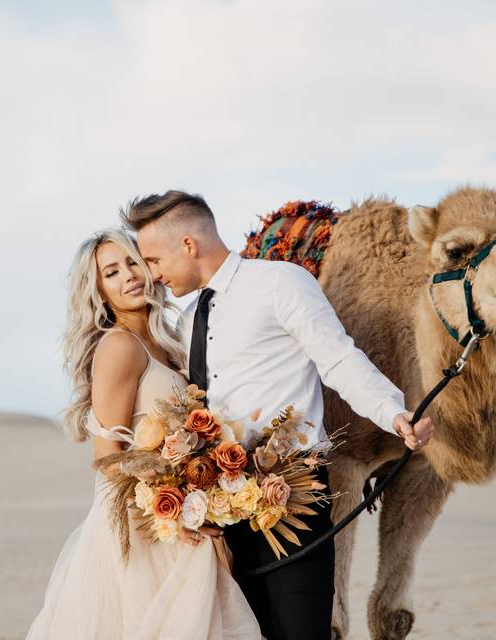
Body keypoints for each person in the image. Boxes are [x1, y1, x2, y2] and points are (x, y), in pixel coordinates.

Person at [123, 191, 435, 640]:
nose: (153, 274)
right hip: (220, 508)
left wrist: (393, 413)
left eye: (154, 259)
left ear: (188, 244)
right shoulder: (188, 318)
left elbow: (338, 359)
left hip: (291, 496)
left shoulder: (280, 283)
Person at [24, 228, 261, 640]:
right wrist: (169, 515)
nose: (129, 276)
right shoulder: (119, 346)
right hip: (144, 529)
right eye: (112, 272)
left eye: (134, 262)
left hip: (188, 513)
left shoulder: (170, 342)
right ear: (98, 290)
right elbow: (107, 454)